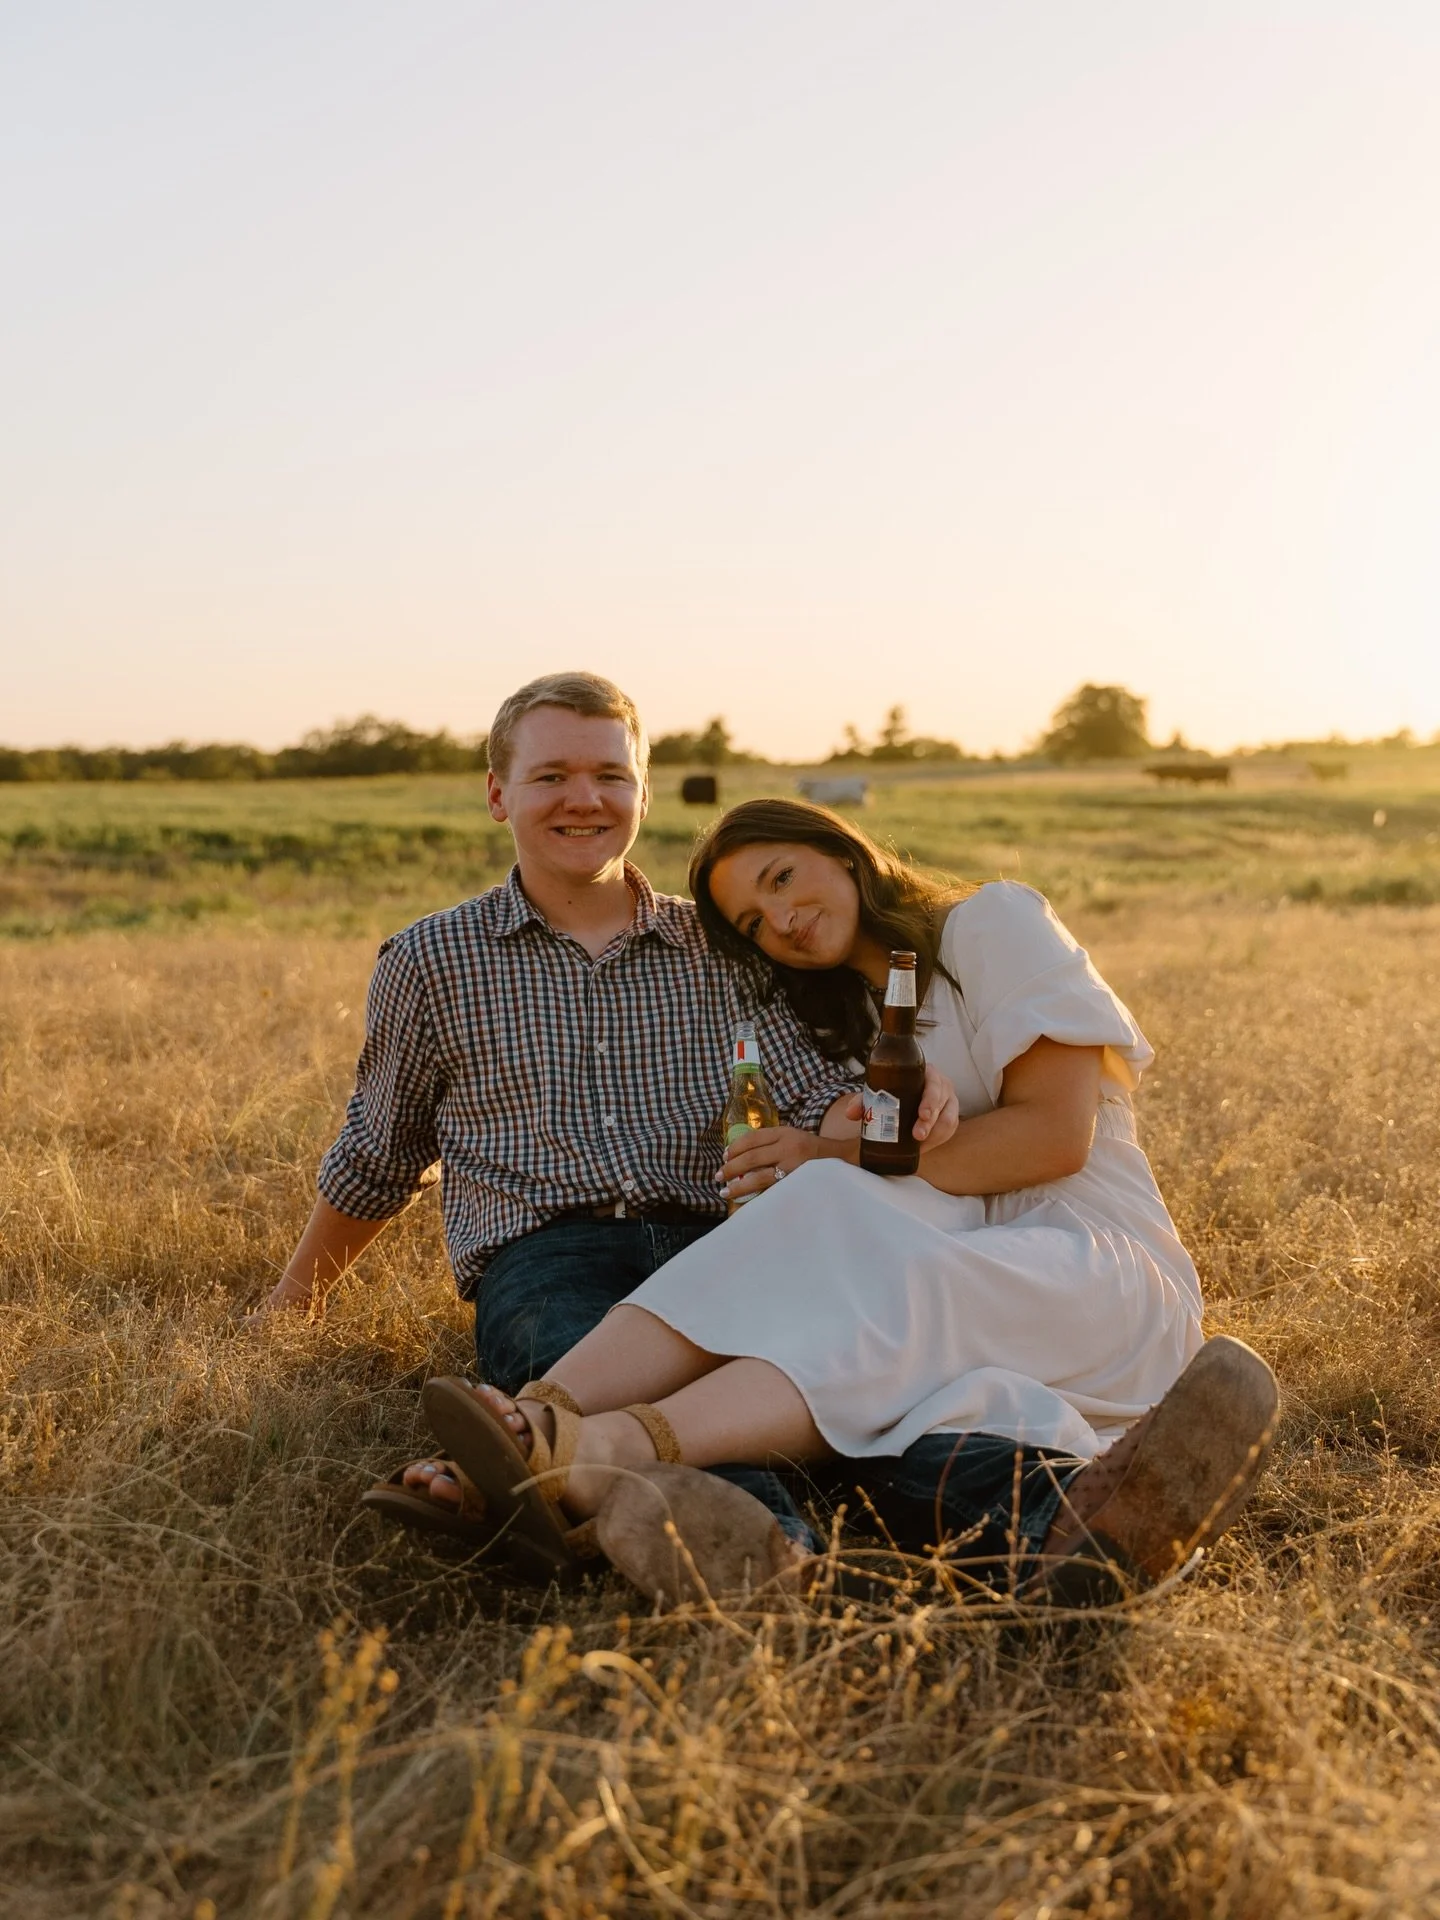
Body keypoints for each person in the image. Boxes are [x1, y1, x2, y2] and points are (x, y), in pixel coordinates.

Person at [414, 797, 1279, 1607]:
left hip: (1089, 1271)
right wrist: (837, 1148)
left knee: (853, 1242)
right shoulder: (845, 1023)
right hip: (969, 1285)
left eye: (782, 878)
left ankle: (584, 1448)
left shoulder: (991, 923)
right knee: (882, 1432)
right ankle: (549, 1430)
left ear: (845, 853)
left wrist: (836, 1157)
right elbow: (856, 1153)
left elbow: (1054, 1138)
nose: (781, 920)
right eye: (754, 923)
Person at [251, 676, 957, 1564]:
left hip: (724, 1241)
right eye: (551, 776)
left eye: (609, 776)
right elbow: (380, 1152)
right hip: (548, 1255)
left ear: (643, 793)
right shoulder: (431, 959)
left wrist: (904, 1099)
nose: (584, 798)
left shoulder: (726, 945)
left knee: (833, 1380)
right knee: (582, 1366)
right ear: (498, 793)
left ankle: (515, 1482)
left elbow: (820, 1098)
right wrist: (293, 1304)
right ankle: (772, 1554)